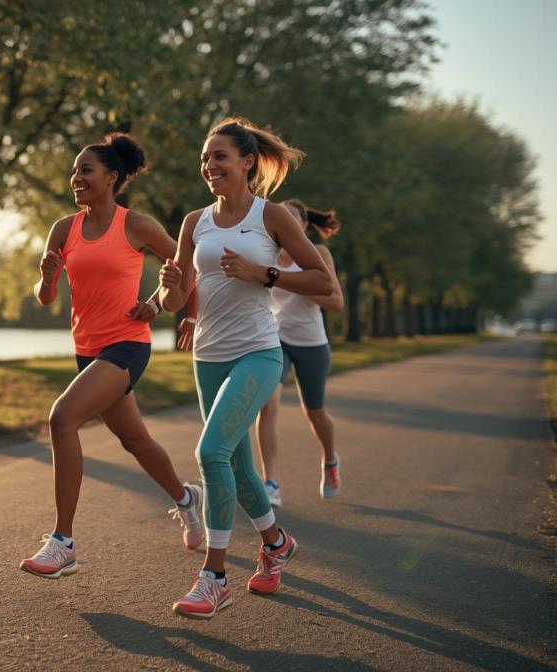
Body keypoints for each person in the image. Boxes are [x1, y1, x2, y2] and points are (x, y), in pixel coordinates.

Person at [158, 117, 333, 618]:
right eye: (205, 159)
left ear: (247, 161)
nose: (209, 166)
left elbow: (322, 282)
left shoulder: (272, 216)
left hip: (259, 350)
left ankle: (214, 578)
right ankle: (276, 543)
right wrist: (172, 284)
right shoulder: (195, 222)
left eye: (220, 157)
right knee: (235, 463)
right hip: (207, 354)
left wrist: (265, 273)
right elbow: (175, 301)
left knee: (210, 452)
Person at [19, 133, 204, 580]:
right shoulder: (64, 228)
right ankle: (186, 498)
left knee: (62, 418)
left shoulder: (135, 225)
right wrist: (45, 280)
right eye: (75, 170)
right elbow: (45, 297)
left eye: (86, 170)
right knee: (134, 439)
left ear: (112, 178)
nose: (76, 177)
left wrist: (168, 307)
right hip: (87, 348)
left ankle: (63, 543)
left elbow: (185, 267)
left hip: (128, 342)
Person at [255, 200, 344, 507]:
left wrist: (292, 282)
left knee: (314, 412)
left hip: (312, 343)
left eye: (292, 219)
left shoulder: (318, 254)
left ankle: (330, 460)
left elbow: (336, 302)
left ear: (303, 226)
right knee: (268, 405)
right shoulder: (268, 255)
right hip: (276, 340)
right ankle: (271, 483)